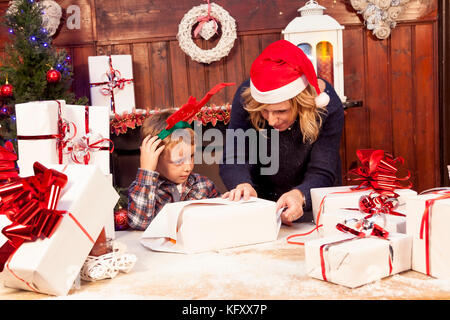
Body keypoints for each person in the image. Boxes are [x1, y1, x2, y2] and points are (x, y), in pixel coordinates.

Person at [219, 39, 344, 226]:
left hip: (313, 202)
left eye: (281, 111)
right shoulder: (247, 96)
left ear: (302, 104)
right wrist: (243, 185)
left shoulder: (327, 105)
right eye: (264, 111)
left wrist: (299, 195)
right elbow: (234, 156)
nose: (270, 120)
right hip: (261, 204)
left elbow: (323, 170)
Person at [127, 110, 219, 230]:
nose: (188, 167)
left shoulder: (203, 185)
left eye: (191, 156)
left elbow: (220, 218)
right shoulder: (145, 189)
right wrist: (147, 170)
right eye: (178, 161)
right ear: (155, 157)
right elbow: (139, 222)